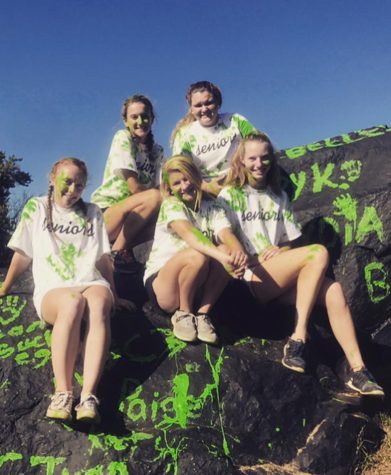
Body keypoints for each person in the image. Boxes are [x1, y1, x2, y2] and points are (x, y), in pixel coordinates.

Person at [218, 132, 384, 396]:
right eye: (252, 158)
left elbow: (289, 243)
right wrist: (246, 256)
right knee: (317, 252)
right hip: (249, 279)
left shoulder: (279, 196)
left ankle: (358, 370)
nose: (259, 164)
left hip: (278, 277)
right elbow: (221, 235)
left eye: (264, 158)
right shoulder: (229, 195)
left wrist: (280, 249)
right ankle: (298, 338)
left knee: (333, 291)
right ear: (241, 160)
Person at [0, 158, 134, 422]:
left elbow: (102, 259)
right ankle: (63, 393)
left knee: (98, 304)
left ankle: (89, 396)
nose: (73, 189)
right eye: (68, 182)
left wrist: (115, 296)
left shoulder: (93, 212)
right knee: (73, 302)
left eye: (80, 185)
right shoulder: (36, 207)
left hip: (91, 280)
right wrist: (5, 288)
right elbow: (22, 254)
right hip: (55, 288)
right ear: (52, 178)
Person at [144, 155, 247, 344]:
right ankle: (183, 313)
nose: (184, 186)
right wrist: (222, 257)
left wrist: (238, 256)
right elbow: (189, 233)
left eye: (186, 178)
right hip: (165, 285)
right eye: (176, 183)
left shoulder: (212, 206)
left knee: (226, 250)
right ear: (169, 187)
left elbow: (226, 234)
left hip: (197, 282)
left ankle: (202, 314)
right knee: (198, 255)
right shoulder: (171, 205)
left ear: (196, 176)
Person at [91, 95, 163, 270]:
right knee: (154, 196)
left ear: (152, 119)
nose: (140, 121)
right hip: (107, 212)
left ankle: (124, 251)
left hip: (135, 218)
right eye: (134, 117)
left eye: (145, 116)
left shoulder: (157, 151)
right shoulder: (123, 137)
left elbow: (163, 187)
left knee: (167, 216)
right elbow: (134, 187)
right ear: (125, 121)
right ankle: (116, 252)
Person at [171, 81, 256, 197]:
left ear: (218, 103)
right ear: (191, 108)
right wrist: (206, 187)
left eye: (209, 103)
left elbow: (259, 145)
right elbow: (179, 170)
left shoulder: (235, 120)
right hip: (203, 192)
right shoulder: (183, 135)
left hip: (241, 186)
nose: (204, 109)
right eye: (198, 105)